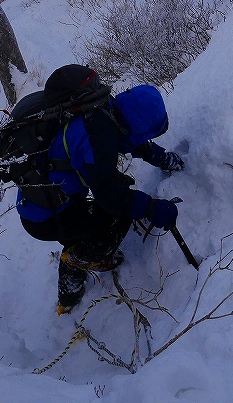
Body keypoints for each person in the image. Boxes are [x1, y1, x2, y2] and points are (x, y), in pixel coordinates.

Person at [15, 64, 185, 314]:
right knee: (120, 212)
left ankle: (67, 301)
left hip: (41, 203)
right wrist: (152, 207)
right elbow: (110, 196)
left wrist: (162, 158)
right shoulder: (99, 135)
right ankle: (79, 260)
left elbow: (131, 142)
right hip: (47, 216)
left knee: (99, 214)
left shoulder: (105, 109)